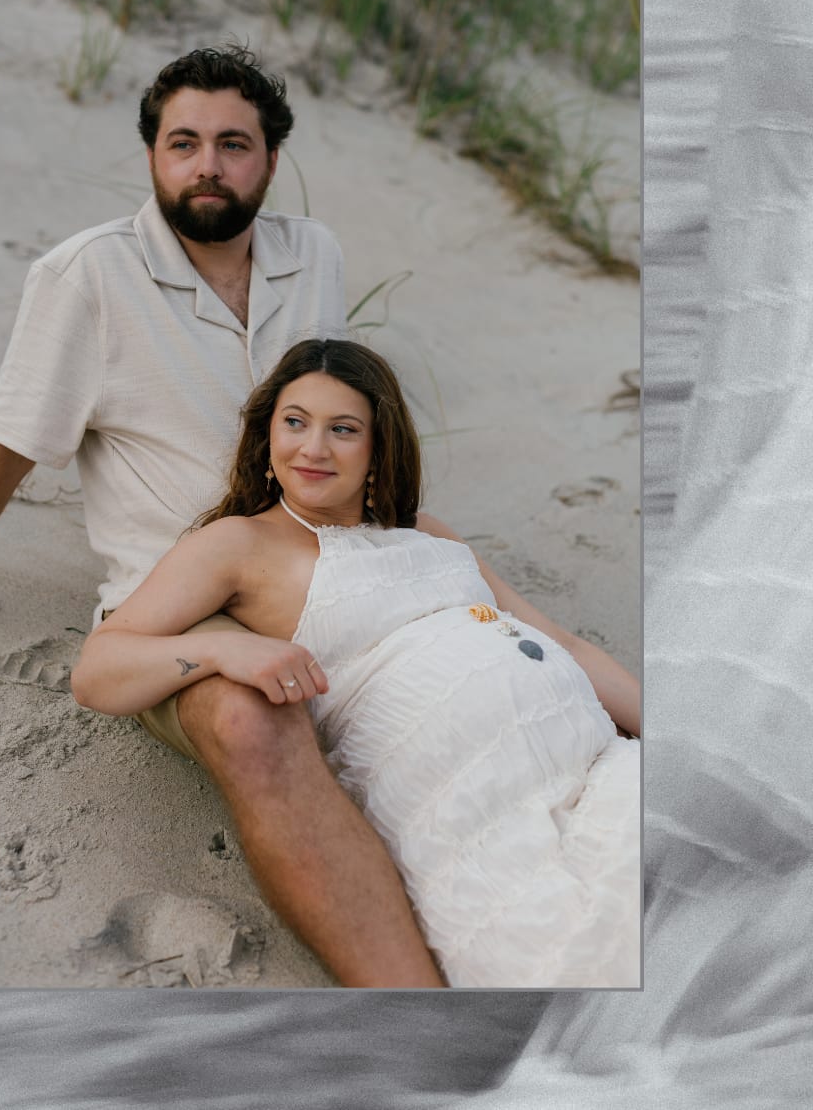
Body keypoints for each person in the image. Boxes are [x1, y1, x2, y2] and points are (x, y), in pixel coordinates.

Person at [0, 44, 446, 988]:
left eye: (233, 145)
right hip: (181, 611)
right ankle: (402, 996)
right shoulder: (87, 276)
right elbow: (6, 450)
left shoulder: (311, 254)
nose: (207, 166)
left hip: (326, 572)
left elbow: (340, 432)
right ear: (151, 155)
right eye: (182, 142)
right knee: (252, 723)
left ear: (269, 160)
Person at [72, 337, 642, 988]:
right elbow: (97, 671)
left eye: (342, 429)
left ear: (378, 444)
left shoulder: (428, 533)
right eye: (295, 423)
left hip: (600, 766)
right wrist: (219, 646)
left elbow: (567, 646)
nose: (313, 449)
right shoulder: (237, 544)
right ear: (268, 434)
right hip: (475, 812)